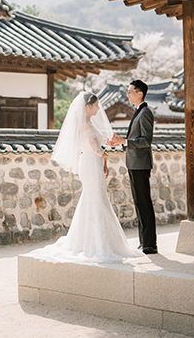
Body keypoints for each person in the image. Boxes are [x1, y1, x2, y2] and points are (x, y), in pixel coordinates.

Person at [28, 91, 144, 264]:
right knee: (96, 199)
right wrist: (105, 156)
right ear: (88, 106)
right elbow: (95, 149)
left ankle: (88, 239)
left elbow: (95, 148)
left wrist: (103, 160)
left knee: (93, 199)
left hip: (92, 163)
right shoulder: (85, 125)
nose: (98, 108)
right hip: (90, 163)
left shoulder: (87, 122)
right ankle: (97, 243)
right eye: (96, 105)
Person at [108, 80, 157, 255]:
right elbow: (135, 140)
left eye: (130, 92)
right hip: (134, 163)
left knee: (144, 203)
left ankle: (150, 244)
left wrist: (125, 141)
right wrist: (121, 143)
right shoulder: (138, 112)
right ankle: (144, 241)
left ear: (140, 93)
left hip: (141, 164)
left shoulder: (145, 113)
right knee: (138, 203)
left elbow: (146, 141)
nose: (128, 95)